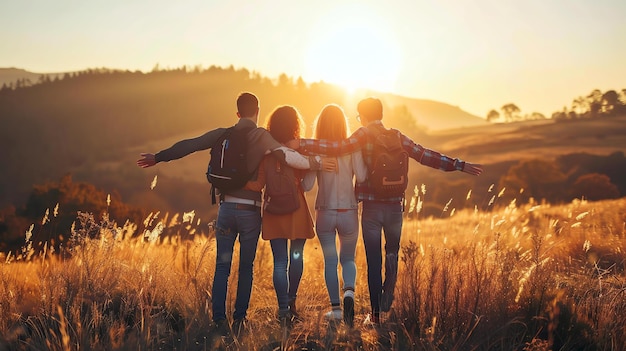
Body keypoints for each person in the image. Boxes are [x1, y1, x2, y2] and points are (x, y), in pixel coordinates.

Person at [136, 92, 335, 337]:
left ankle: (219, 320)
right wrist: (315, 163)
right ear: (257, 111)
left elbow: (190, 144)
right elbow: (287, 156)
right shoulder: (261, 136)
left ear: (237, 113)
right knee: (246, 268)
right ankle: (240, 319)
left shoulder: (223, 134)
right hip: (249, 212)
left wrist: (158, 157)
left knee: (222, 267)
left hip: (226, 210)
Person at [296, 97, 483, 324]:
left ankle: (374, 317)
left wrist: (301, 144)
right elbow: (424, 155)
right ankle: (388, 298)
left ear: (362, 116)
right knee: (392, 253)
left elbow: (337, 147)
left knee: (374, 260)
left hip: (372, 210)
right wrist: (458, 164)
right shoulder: (397, 136)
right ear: (381, 114)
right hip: (395, 207)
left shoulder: (363, 134)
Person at [250, 105, 316, 327]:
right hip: (296, 209)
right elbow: (307, 186)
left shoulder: (265, 153)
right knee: (297, 256)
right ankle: (292, 301)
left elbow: (259, 183)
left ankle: (282, 310)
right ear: (295, 126)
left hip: (273, 210)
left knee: (280, 262)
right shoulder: (298, 152)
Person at [301, 104, 367, 327]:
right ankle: (349, 292)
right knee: (348, 258)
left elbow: (307, 185)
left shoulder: (316, 151)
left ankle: (336, 310)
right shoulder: (352, 148)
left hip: (325, 213)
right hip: (348, 211)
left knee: (330, 260)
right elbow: (363, 175)